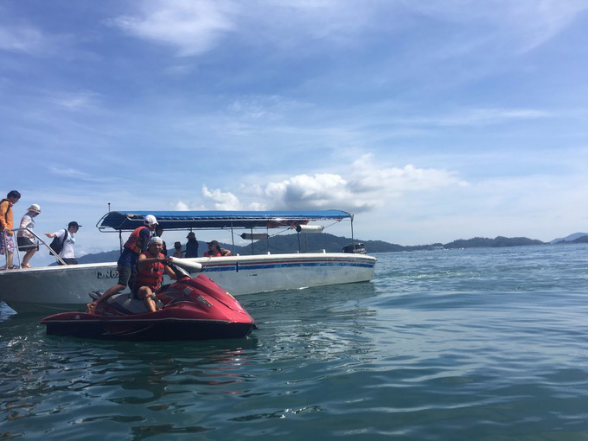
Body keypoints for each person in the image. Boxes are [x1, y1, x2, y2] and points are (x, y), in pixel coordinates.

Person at [88, 214, 158, 312]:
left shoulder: (140, 229)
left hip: (129, 259)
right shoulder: (145, 231)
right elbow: (144, 250)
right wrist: (151, 260)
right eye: (154, 225)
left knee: (135, 285)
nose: (154, 227)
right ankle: (95, 303)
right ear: (150, 224)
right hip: (128, 259)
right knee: (122, 285)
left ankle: (135, 309)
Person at [133, 237, 177, 313]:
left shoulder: (162, 257)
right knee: (147, 290)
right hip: (140, 289)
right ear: (149, 247)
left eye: (159, 245)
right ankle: (154, 314)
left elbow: (172, 275)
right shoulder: (144, 255)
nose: (156, 247)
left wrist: (185, 279)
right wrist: (158, 259)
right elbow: (140, 261)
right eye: (154, 245)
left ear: (162, 247)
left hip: (156, 289)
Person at [1, 190, 21, 270]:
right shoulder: (5, 203)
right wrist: (5, 226)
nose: (17, 201)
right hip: (5, 230)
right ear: (12, 197)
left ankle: (9, 264)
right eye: (17, 199)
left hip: (7, 230)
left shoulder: (8, 204)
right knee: (10, 249)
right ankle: (9, 266)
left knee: (8, 248)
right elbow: (1, 215)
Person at [17, 204, 41, 268]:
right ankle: (24, 263)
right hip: (24, 236)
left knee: (30, 250)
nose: (37, 214)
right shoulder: (27, 217)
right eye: (36, 213)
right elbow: (22, 226)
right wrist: (28, 233)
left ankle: (25, 263)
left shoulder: (29, 216)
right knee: (34, 248)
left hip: (25, 236)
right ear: (33, 211)